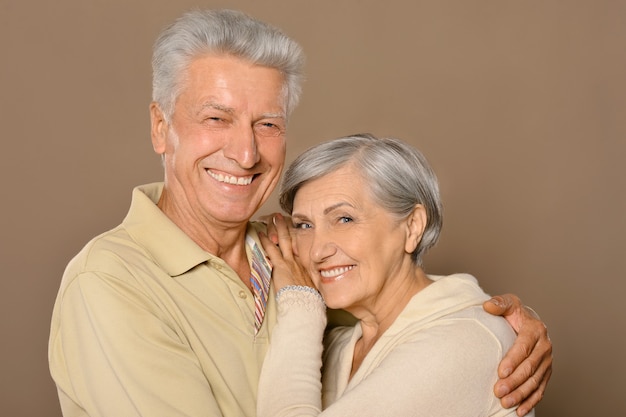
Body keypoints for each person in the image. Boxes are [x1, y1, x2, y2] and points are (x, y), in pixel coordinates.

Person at [48, 9, 551, 417]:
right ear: (161, 127)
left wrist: (503, 325)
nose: (245, 153)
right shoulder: (111, 284)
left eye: (267, 123)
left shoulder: (291, 247)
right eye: (216, 118)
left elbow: (404, 306)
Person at [257, 133, 538, 417]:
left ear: (413, 227)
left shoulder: (463, 340)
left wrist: (300, 304)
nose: (317, 251)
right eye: (304, 225)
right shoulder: (341, 345)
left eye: (344, 219)